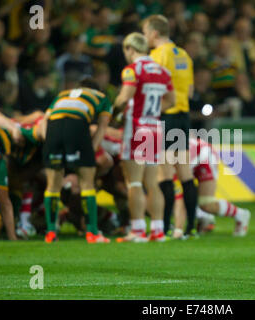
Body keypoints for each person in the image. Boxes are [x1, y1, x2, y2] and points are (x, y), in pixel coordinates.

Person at [114, 32, 175, 243]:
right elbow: (171, 100)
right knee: (152, 182)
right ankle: (158, 230)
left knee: (134, 183)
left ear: (130, 49)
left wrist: (114, 112)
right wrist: (155, 111)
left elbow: (124, 97)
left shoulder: (133, 70)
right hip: (155, 128)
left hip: (136, 127)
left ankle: (138, 230)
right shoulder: (162, 71)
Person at [142, 14, 198, 237]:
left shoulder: (157, 55)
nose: (145, 37)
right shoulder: (184, 54)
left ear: (154, 33)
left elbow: (155, 89)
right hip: (183, 117)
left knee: (164, 175)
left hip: (165, 116)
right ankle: (191, 227)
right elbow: (191, 91)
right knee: (185, 174)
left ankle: (163, 227)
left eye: (145, 33)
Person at [42, 77, 112, 243]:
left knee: (52, 185)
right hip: (77, 125)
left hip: (53, 129)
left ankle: (50, 232)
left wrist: (49, 143)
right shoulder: (102, 98)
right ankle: (92, 233)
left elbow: (45, 120)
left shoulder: (62, 95)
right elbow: (102, 127)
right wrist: (91, 150)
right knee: (87, 183)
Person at [172, 137, 251, 239]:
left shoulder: (171, 159)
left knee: (206, 203)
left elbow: (180, 197)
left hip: (205, 156)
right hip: (192, 154)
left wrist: (178, 230)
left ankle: (240, 214)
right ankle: (203, 217)